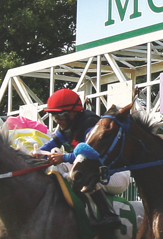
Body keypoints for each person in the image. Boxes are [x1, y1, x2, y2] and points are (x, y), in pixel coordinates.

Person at [38, 89, 122, 230]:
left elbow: (92, 156)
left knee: (78, 172)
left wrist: (64, 157)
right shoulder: (67, 126)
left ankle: (110, 215)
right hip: (98, 171)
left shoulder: (89, 123)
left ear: (74, 112)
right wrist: (36, 153)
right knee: (55, 153)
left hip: (114, 175)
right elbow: (50, 145)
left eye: (60, 115)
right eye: (54, 116)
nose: (58, 120)